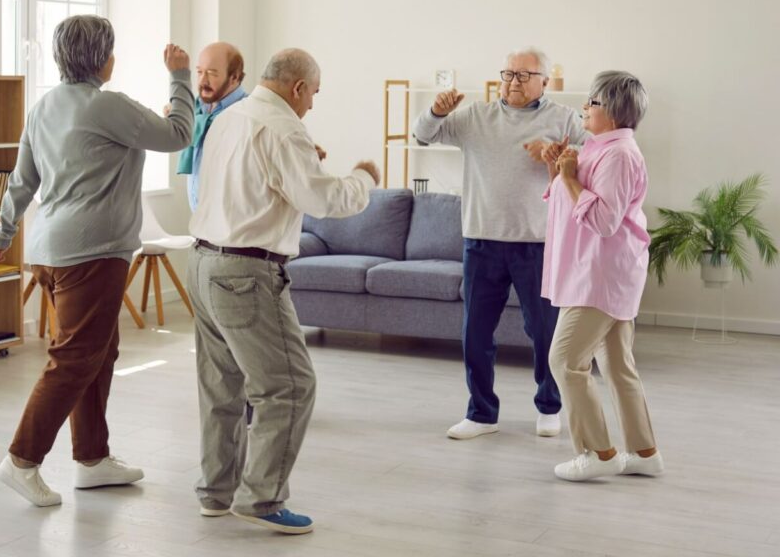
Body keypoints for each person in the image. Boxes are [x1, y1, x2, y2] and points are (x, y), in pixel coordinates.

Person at [0, 15, 195, 506]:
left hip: (48, 250)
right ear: (104, 59)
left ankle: (92, 459)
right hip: (92, 253)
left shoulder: (43, 108)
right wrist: (180, 76)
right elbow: (179, 133)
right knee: (75, 358)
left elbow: (21, 182)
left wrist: (3, 235)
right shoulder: (107, 105)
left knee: (97, 352)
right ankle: (21, 460)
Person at [188, 48, 379, 534]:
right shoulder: (285, 128)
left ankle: (216, 491)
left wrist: (299, 163)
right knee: (289, 388)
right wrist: (364, 178)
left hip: (204, 263)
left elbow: (246, 183)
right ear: (297, 88)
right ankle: (262, 499)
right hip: (246, 274)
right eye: (313, 93)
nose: (312, 104)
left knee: (221, 387)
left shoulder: (229, 119)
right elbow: (325, 200)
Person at [413, 47, 587, 440]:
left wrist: (562, 157)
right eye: (508, 73)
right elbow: (422, 135)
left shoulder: (562, 119)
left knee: (543, 330)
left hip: (536, 243)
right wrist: (437, 111)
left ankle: (549, 406)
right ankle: (481, 413)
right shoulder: (476, 117)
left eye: (524, 75)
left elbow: (595, 155)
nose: (513, 82)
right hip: (481, 241)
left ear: (544, 81)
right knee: (475, 332)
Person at [541, 70, 663, 481]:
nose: (584, 107)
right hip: (596, 270)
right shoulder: (598, 148)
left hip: (601, 274)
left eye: (592, 102)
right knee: (615, 364)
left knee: (565, 360)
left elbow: (605, 220)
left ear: (611, 111)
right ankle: (644, 452)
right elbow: (568, 201)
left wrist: (570, 178)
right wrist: (558, 171)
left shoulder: (619, 155)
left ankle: (597, 453)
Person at [177, 42, 248, 211]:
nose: (203, 80)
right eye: (200, 72)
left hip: (234, 225)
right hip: (201, 222)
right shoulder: (196, 108)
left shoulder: (249, 113)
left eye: (212, 73)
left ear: (235, 77)